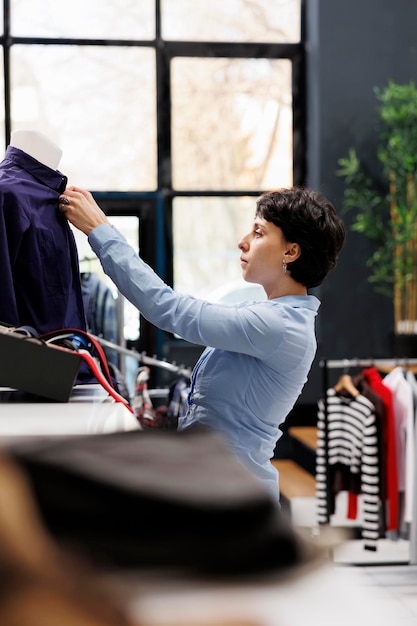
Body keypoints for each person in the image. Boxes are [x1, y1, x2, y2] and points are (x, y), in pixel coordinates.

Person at [59, 185, 345, 502]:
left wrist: (101, 230)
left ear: (290, 252)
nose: (243, 241)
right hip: (216, 483)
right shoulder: (267, 315)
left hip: (232, 495)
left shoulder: (280, 327)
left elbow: (169, 309)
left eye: (259, 232)